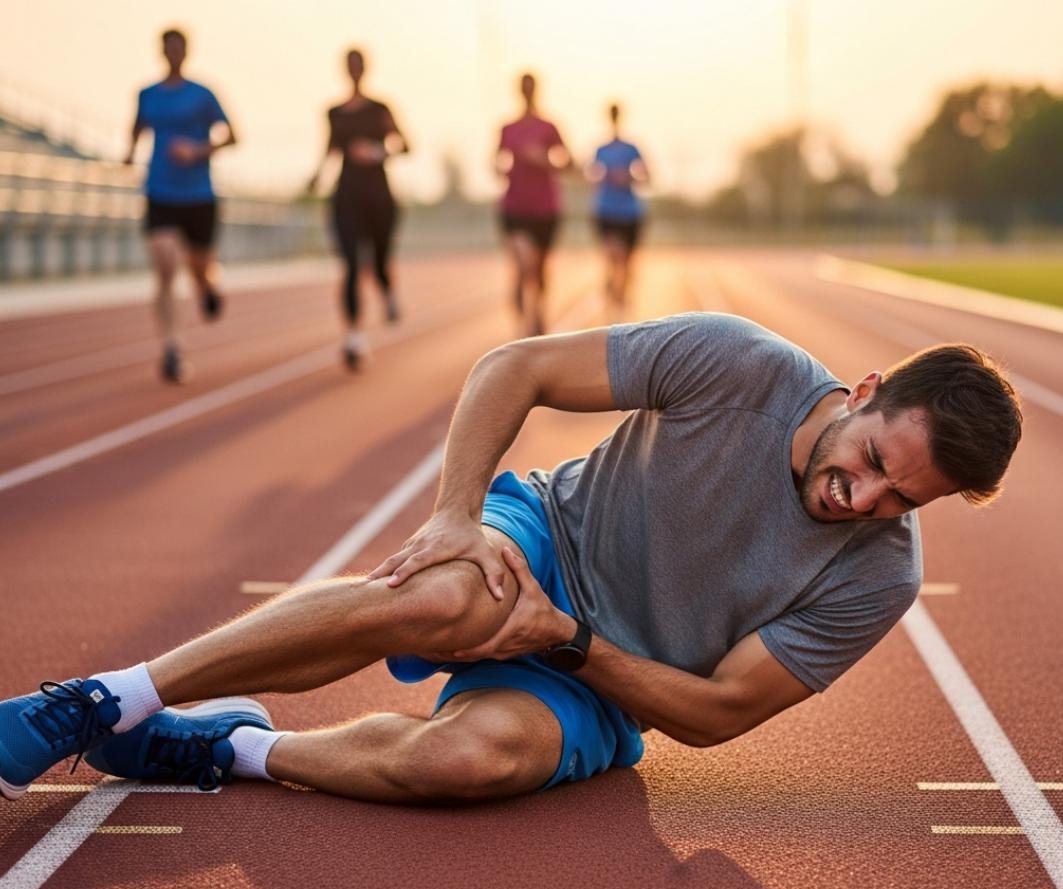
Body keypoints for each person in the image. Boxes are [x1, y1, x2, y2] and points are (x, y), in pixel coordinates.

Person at [0, 313, 1022, 803]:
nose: (867, 499)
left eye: (902, 498)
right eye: (873, 462)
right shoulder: (738, 363)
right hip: (543, 536)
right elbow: (515, 364)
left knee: (467, 760)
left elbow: (715, 715)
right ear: (865, 389)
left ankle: (226, 747)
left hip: (603, 673)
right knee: (447, 599)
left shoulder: (879, 570)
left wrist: (567, 641)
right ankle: (103, 700)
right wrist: (453, 514)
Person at [125, 28, 236, 384]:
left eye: (179, 47)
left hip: (199, 194)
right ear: (162, 51)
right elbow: (137, 128)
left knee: (199, 266)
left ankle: (208, 288)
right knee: (166, 265)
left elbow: (232, 135)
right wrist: (128, 154)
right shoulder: (146, 94)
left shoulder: (203, 94)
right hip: (160, 191)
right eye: (168, 47)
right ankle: (172, 348)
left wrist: (198, 150)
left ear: (186, 52)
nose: (174, 52)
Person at [307, 49, 409, 372]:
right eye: (349, 65)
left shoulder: (381, 108)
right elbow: (330, 149)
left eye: (358, 65)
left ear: (365, 69)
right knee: (351, 266)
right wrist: (317, 175)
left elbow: (404, 145)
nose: (353, 70)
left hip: (379, 197)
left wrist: (377, 151)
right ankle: (353, 337)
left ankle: (388, 290)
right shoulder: (334, 112)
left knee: (378, 263)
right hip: (346, 197)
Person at [497, 74, 570, 338]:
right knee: (524, 263)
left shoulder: (549, 127)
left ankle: (538, 311)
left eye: (531, 88)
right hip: (514, 207)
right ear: (518, 91)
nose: (527, 92)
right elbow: (496, 163)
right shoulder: (507, 128)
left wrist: (544, 160)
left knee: (539, 270)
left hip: (546, 208)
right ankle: (523, 330)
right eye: (523, 88)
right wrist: (500, 168)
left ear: (536, 90)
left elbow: (570, 163)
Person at [587, 104, 648, 318]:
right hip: (606, 211)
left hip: (630, 213)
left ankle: (620, 293)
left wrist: (628, 177)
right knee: (616, 257)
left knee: (627, 264)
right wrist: (600, 178)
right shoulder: (600, 150)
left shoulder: (631, 148)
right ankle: (615, 301)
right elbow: (590, 178)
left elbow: (647, 176)